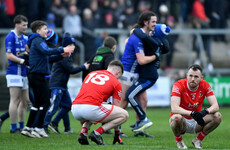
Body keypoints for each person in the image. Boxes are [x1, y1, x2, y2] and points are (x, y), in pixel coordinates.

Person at [21, 20, 74, 138]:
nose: (47, 31)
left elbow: (47, 59)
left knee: (38, 103)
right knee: (46, 102)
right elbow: (47, 51)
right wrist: (62, 49)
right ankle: (39, 128)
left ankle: (28, 127)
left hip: (35, 75)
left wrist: (61, 56)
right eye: (45, 29)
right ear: (38, 31)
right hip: (38, 75)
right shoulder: (38, 40)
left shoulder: (36, 41)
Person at [72, 60, 129, 145]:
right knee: (124, 115)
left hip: (75, 108)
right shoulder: (115, 82)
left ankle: (83, 133)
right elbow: (117, 108)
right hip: (90, 109)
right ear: (118, 72)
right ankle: (97, 133)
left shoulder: (91, 74)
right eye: (119, 76)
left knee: (97, 106)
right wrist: (117, 133)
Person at [44, 32, 90, 134]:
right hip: (57, 85)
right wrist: (83, 67)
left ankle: (55, 123)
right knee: (53, 107)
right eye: (70, 45)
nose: (72, 47)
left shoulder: (67, 56)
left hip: (62, 86)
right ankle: (44, 126)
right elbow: (71, 70)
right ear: (65, 46)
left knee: (68, 106)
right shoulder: (63, 56)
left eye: (73, 45)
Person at [127, 24, 170, 132]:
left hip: (147, 78)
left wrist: (134, 29)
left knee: (130, 96)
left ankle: (143, 119)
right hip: (147, 76)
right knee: (141, 99)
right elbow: (167, 47)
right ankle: (138, 123)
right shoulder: (161, 42)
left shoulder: (153, 42)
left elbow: (142, 35)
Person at [119, 11, 157, 132]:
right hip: (128, 72)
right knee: (124, 101)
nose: (155, 24)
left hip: (137, 73)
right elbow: (141, 60)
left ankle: (140, 128)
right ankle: (117, 129)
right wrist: (156, 57)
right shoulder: (137, 38)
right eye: (153, 22)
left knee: (143, 100)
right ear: (146, 22)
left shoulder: (143, 36)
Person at [170, 64, 222, 149]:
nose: (193, 79)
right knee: (176, 118)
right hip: (183, 120)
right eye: (190, 76)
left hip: (197, 120)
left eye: (196, 76)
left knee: (218, 116)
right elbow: (174, 108)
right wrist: (192, 113)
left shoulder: (205, 85)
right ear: (187, 75)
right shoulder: (178, 84)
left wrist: (204, 112)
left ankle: (198, 140)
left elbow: (216, 106)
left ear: (201, 78)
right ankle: (179, 141)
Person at [5, 15, 30, 133]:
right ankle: (13, 128)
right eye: (23, 25)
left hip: (23, 72)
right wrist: (22, 60)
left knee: (25, 100)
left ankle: (21, 126)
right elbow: (9, 55)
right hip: (14, 72)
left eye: (26, 25)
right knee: (14, 99)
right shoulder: (10, 37)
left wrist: (27, 54)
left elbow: (27, 51)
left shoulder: (23, 38)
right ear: (16, 25)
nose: (26, 27)